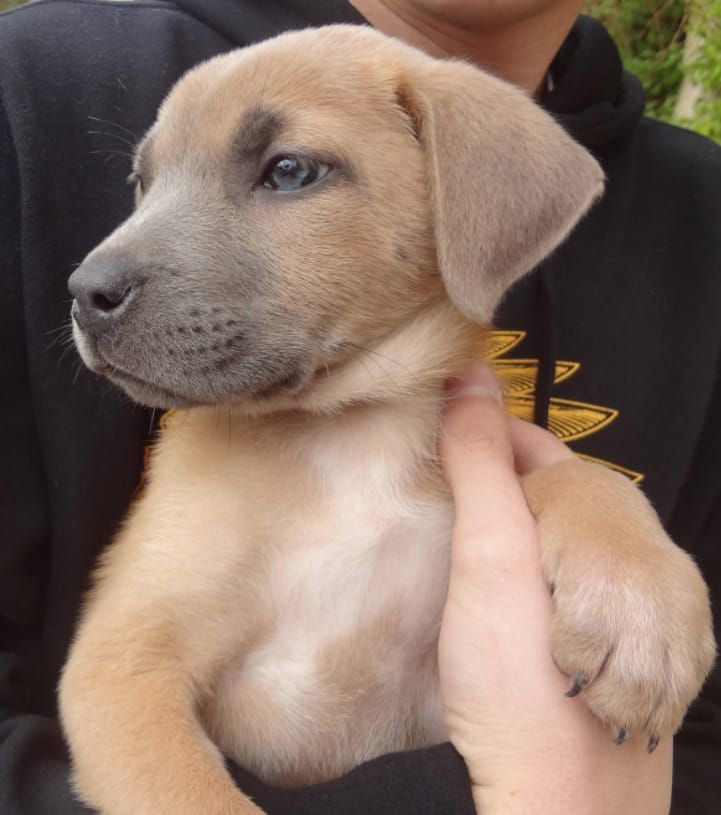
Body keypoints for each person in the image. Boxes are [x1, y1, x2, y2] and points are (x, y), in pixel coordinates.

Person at [0, 0, 718, 813]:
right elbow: (118, 682)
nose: (103, 268)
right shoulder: (32, 82)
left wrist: (599, 512)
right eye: (146, 180)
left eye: (286, 171)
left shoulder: (696, 215)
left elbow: (696, 737)